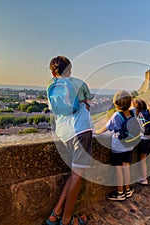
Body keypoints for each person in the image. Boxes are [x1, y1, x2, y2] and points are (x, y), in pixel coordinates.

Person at [46, 56, 92, 225]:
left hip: (64, 133)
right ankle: (66, 221)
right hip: (81, 130)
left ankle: (55, 214)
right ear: (70, 69)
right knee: (77, 176)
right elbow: (88, 99)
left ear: (52, 72)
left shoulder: (50, 86)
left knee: (74, 174)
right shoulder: (79, 83)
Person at [95, 90, 135, 201]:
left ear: (116, 104)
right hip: (130, 145)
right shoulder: (133, 112)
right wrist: (132, 102)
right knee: (126, 168)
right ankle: (127, 189)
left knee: (118, 170)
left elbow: (106, 128)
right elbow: (135, 106)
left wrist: (96, 132)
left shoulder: (117, 115)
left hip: (118, 147)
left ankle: (120, 193)